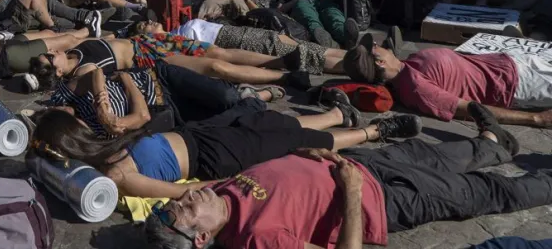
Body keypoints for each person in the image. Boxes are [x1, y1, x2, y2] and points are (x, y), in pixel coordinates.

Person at [146, 119, 551, 249]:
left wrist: (305, 155)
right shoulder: (257, 238)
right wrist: (351, 191)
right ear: (199, 239)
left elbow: (272, 175)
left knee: (448, 154)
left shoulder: (218, 194)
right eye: (182, 210)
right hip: (386, 199)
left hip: (363, 163)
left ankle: (495, 143)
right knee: (491, 193)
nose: (185, 196)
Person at [30, 101, 420, 199]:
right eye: (74, 122)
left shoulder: (106, 144)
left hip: (200, 135)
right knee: (291, 143)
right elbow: (180, 190)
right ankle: (373, 132)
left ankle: (337, 113)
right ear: (71, 136)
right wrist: (231, 184)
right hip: (213, 158)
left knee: (270, 122)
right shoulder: (114, 175)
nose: (81, 120)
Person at [344, 34, 552, 128]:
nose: (379, 44)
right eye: (375, 47)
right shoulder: (416, 88)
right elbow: (471, 109)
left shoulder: (405, 67)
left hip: (511, 62)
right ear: (380, 62)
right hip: (519, 83)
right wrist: (535, 119)